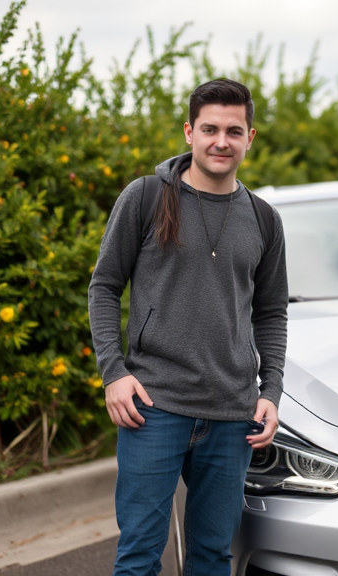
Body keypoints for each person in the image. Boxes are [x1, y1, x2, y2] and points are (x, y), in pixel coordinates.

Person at [87, 78, 288, 576]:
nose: (222, 141)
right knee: (138, 558)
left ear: (250, 138)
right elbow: (103, 287)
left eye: (233, 131)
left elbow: (271, 312)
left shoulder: (264, 219)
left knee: (212, 558)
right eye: (210, 129)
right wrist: (114, 373)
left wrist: (272, 390)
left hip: (231, 413)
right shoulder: (146, 197)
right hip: (153, 406)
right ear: (189, 132)